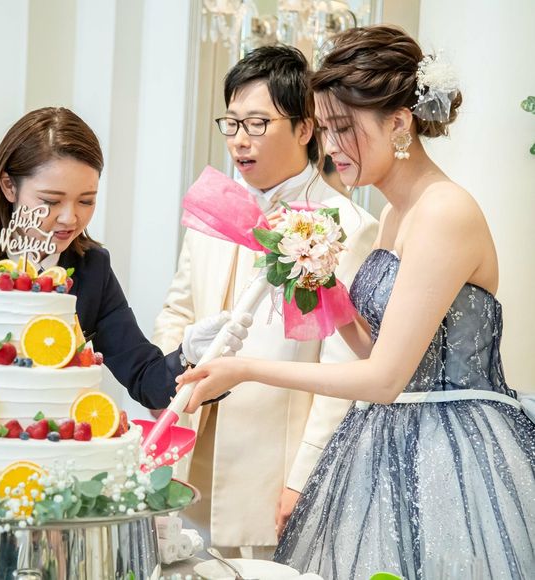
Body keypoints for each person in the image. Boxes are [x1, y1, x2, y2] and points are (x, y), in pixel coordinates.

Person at [176, 26, 535, 579]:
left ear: (399, 122)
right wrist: (321, 282)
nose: (331, 146)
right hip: (389, 433)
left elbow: (384, 378)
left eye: (345, 128)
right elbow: (375, 347)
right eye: (325, 129)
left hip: (450, 447)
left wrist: (245, 369)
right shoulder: (395, 213)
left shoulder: (444, 212)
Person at [152, 45, 377, 557]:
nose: (239, 140)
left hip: (269, 472)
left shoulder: (345, 226)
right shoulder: (214, 208)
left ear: (304, 129)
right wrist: (168, 384)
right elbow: (177, 311)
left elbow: (342, 370)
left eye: (257, 124)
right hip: (186, 449)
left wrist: (305, 477)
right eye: (231, 124)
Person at [0, 107, 250, 410]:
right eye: (51, 201)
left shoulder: (92, 269)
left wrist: (192, 355)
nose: (70, 218)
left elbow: (146, 378)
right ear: (9, 187)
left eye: (86, 201)